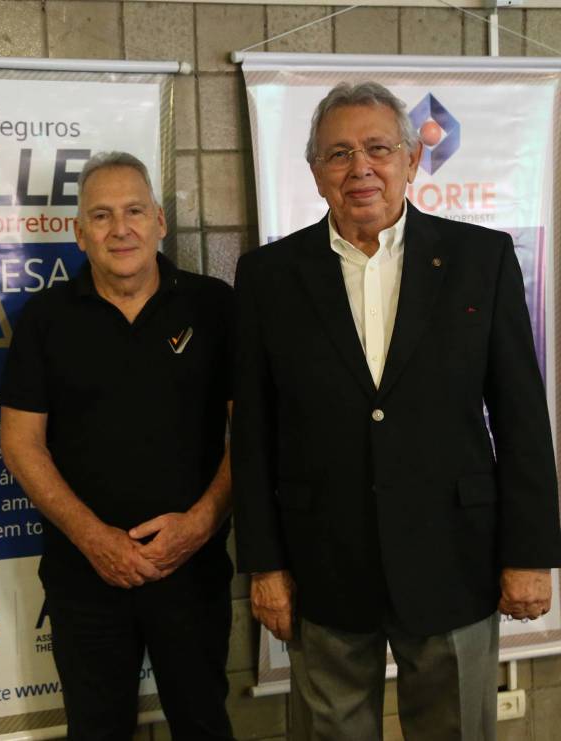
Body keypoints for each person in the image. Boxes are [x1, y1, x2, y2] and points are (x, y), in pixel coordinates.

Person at [233, 81, 561, 739]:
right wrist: (265, 565)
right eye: (339, 153)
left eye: (378, 149)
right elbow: (254, 433)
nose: (360, 168)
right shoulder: (269, 275)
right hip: (323, 563)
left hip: (455, 558)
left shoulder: (481, 259)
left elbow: (522, 415)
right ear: (315, 171)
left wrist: (530, 554)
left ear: (411, 161)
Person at [0, 151, 235, 739]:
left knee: (204, 726)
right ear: (79, 234)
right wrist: (95, 540)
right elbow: (21, 445)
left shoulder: (215, 307)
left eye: (134, 211)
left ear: (160, 221)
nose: (120, 228)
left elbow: (250, 433)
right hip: (86, 577)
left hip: (193, 571)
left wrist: (200, 525)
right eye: (101, 216)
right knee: (96, 731)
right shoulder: (44, 319)